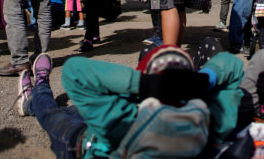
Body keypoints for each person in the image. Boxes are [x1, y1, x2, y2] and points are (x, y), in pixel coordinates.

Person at [16, 46, 244, 158]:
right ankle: (36, 95)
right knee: (73, 110)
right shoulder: (212, 122)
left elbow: (75, 72)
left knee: (52, 114)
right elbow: (233, 65)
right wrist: (204, 79)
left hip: (80, 143)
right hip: (102, 127)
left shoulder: (130, 119)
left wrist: (144, 84)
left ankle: (36, 91)